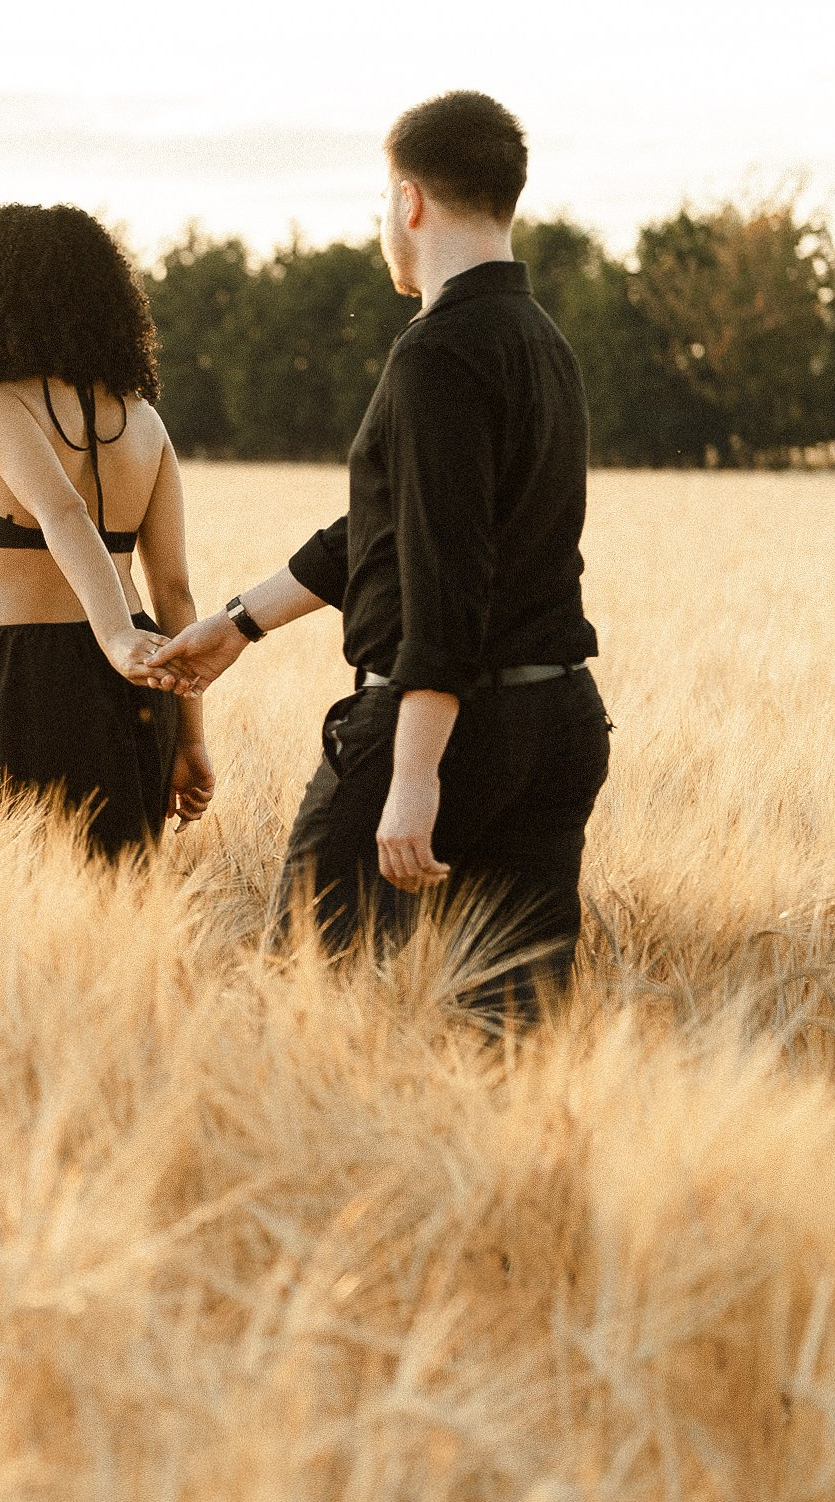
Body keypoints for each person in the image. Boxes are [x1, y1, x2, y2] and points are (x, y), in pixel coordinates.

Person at [145, 92, 608, 1017]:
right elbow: (389, 526)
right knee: (509, 1033)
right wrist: (241, 622)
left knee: (303, 998)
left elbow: (444, 578)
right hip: (556, 724)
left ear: (408, 201)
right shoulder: (541, 343)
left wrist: (411, 775)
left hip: (448, 724)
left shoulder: (437, 353)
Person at [0, 202, 213, 856]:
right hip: (147, 674)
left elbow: (62, 511)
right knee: (123, 906)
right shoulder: (143, 418)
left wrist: (113, 636)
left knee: (23, 906)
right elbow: (173, 594)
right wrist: (190, 740)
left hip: (33, 674)